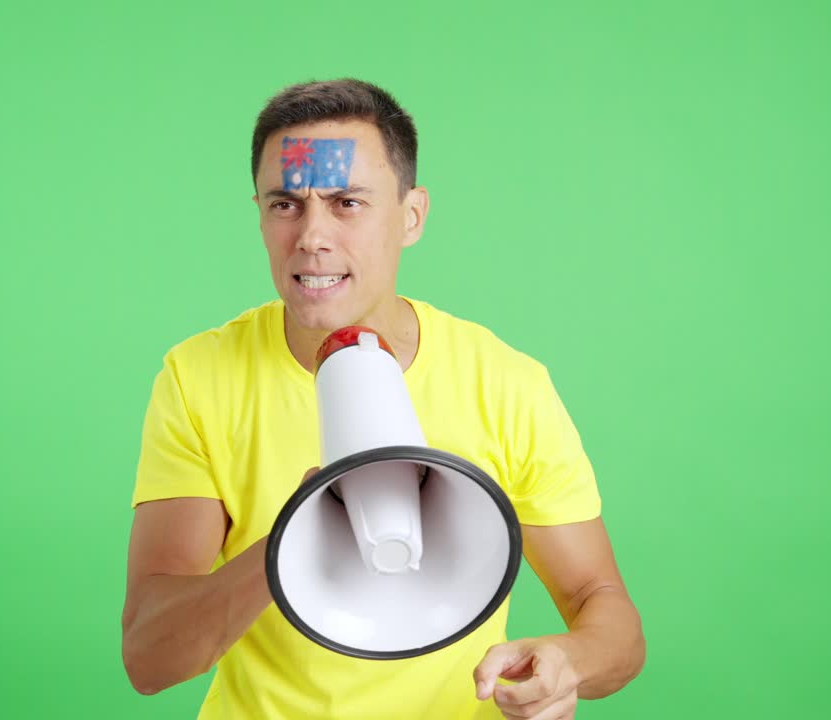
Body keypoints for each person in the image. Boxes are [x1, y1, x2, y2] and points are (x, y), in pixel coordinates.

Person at [121, 78, 645, 720]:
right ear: (258, 213)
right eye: (285, 204)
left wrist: (570, 665)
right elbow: (149, 658)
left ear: (411, 215)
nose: (312, 236)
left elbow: (608, 615)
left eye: (346, 202)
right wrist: (294, 534)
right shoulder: (199, 376)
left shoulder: (506, 383)